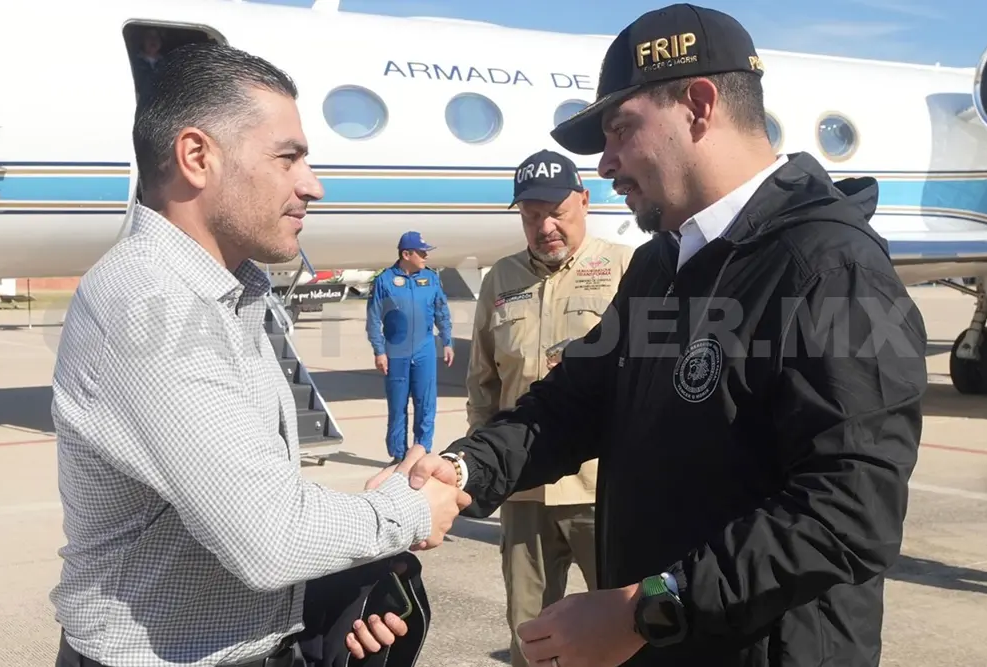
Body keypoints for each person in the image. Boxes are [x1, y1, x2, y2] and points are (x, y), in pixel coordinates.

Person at [382, 4, 929, 667]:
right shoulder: (661, 263)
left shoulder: (829, 267)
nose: (606, 162)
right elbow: (573, 404)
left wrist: (648, 607)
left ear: (699, 105)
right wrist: (464, 470)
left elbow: (848, 512)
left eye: (619, 129)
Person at [49, 43, 467, 667]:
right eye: (288, 158)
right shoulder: (149, 302)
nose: (313, 185)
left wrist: (342, 579)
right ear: (197, 157)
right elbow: (269, 536)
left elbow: (248, 500)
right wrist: (408, 513)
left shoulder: (223, 294)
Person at [465, 148, 634, 667]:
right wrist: (485, 468)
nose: (545, 227)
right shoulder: (501, 279)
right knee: (531, 635)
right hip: (524, 491)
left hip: (602, 488)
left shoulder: (625, 268)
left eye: (556, 211)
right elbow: (483, 384)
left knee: (622, 630)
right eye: (531, 216)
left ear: (584, 201)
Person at [365, 231, 454, 463]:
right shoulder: (384, 281)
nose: (426, 256)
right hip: (396, 351)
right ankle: (398, 454)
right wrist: (379, 351)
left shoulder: (431, 278)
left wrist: (447, 341)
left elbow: (441, 311)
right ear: (406, 254)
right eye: (422, 252)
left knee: (426, 403)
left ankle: (421, 450)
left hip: (424, 349)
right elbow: (374, 319)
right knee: (398, 405)